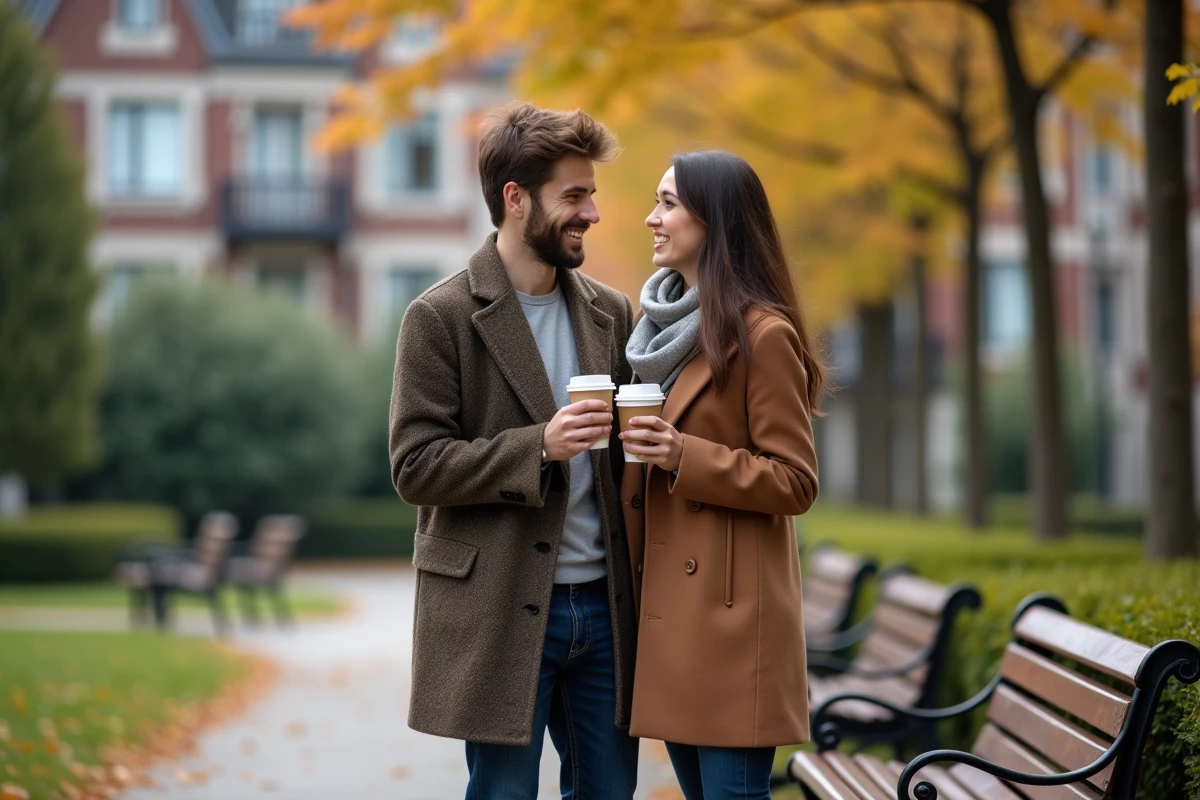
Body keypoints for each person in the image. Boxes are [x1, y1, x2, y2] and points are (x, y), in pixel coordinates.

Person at [389, 102, 640, 799]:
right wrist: (541, 446)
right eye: (575, 195)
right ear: (515, 198)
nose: (592, 212)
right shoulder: (439, 317)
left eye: (591, 193)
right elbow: (414, 466)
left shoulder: (613, 313)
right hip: (499, 608)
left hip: (603, 607)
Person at [618, 150, 823, 800]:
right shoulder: (659, 334)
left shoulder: (763, 335)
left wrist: (683, 455)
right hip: (676, 623)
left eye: (669, 203)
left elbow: (795, 480)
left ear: (717, 220)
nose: (653, 218)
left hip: (732, 630)